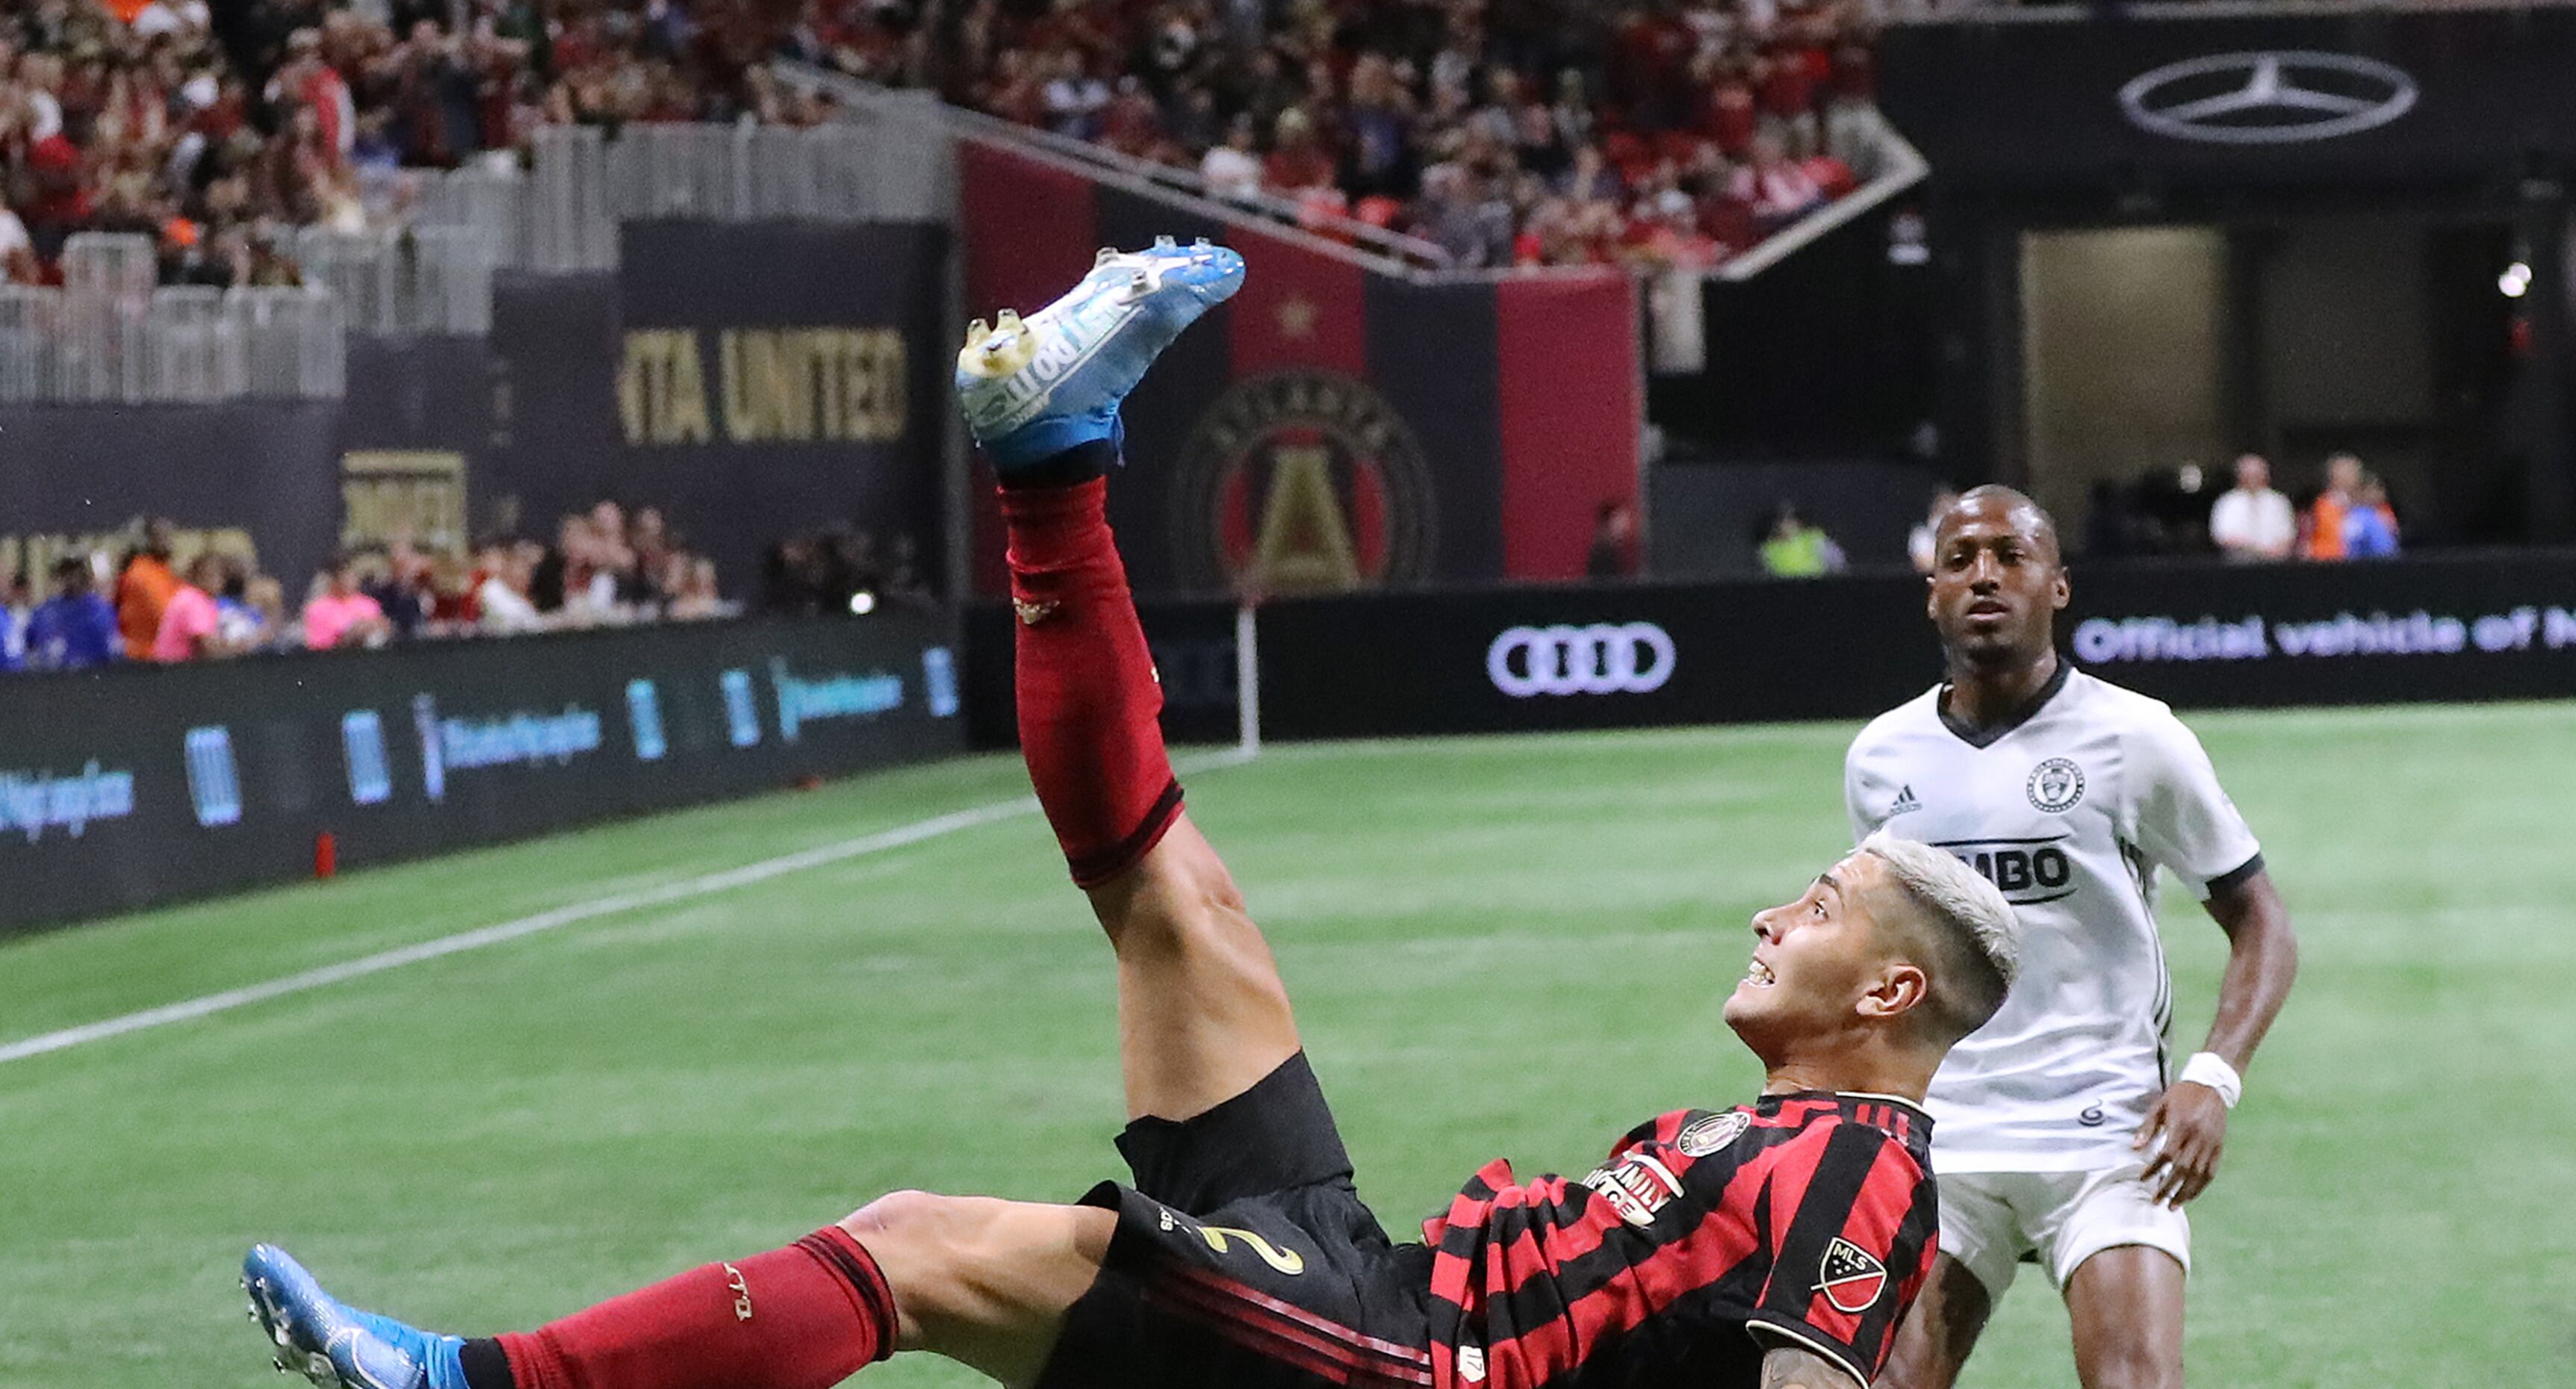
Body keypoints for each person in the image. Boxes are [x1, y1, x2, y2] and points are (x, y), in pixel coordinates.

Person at [243, 240, 2021, 1389]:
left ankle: (461, 1383)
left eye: (1819, 900)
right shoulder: (1786, 1130)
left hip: (1397, 1364)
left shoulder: (1868, 1166)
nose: (1774, 911)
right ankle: (1049, 465)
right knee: (1177, 898)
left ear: (1889, 994)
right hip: (1383, 1278)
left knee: (926, 1242)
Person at [1843, 487, 2299, 1389]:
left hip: (2110, 1139)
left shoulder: (2135, 737)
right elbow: (1884, 954)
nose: (1986, 576)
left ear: (2057, 586)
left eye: (2012, 556)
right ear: (1931, 589)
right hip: (1947, 1138)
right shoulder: (1881, 758)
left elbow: (2262, 923)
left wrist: (2211, 1080)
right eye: (1962, 558)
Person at [24, 556, 121, 670]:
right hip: (53, 679)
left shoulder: (99, 610)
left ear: (84, 575)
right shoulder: (46, 610)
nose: (70, 578)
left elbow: (113, 651)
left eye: (74, 572)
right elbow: (29, 645)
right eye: (65, 573)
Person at [2206, 455, 2294, 564]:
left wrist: (2274, 550)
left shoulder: (2279, 501)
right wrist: (2252, 548)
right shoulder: (2227, 502)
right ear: (2240, 476)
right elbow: (2220, 535)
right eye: (2249, 475)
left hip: (2274, 565)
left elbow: (2288, 535)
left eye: (2258, 474)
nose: (2253, 479)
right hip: (2237, 565)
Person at [116, 519, 179, 659]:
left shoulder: (162, 570)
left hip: (162, 653)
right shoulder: (142, 572)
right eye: (161, 537)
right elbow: (165, 615)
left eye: (169, 536)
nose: (169, 542)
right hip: (146, 656)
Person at [149, 553, 229, 662]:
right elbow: (210, 648)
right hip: (174, 672)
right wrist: (250, 644)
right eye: (210, 575)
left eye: (221, 575)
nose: (218, 580)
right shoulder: (193, 601)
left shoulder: (200, 599)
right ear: (197, 576)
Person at [302, 558, 392, 650]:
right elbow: (318, 645)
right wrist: (351, 634)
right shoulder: (318, 608)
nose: (349, 581)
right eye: (344, 576)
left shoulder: (369, 604)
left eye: (352, 576)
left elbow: (382, 629)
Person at [2297, 455, 2362, 561]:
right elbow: (2307, 542)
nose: (2348, 478)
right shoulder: (2319, 506)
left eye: (2351, 473)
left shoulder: (2367, 508)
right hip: (2327, 565)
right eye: (2343, 473)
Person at [1760, 504, 1846, 578]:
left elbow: (1837, 561)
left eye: (1792, 520)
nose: (1789, 524)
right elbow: (1768, 573)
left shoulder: (1813, 539)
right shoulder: (1768, 550)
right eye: (1784, 521)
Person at [2339, 478, 2400, 559]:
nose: (2376, 494)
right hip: (2366, 565)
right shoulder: (2356, 516)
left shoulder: (2386, 513)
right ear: (2362, 493)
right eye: (2371, 490)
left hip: (2389, 563)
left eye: (2379, 490)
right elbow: (2350, 545)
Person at [1909, 488, 1961, 575]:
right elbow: (1923, 564)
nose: (1946, 513)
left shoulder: (1966, 533)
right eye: (1942, 508)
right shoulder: (1921, 534)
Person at [1586, 499, 1639, 578]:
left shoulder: (1622, 549)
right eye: (1620, 519)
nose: (1625, 523)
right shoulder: (1604, 551)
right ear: (1609, 521)